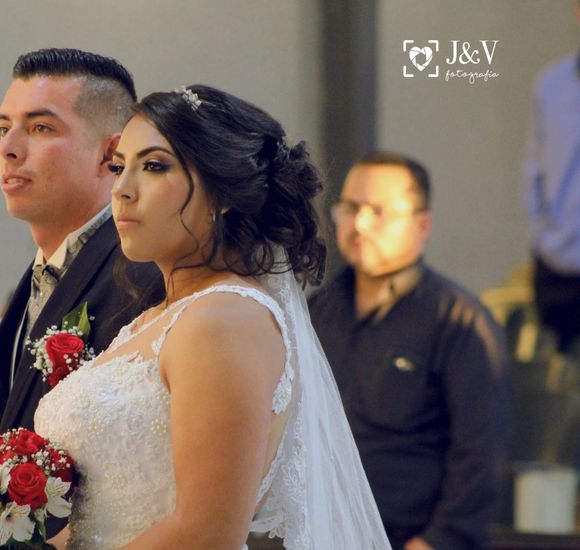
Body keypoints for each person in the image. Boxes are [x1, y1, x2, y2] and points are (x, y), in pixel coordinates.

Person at [35, 85, 390, 549]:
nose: (122, 190)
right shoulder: (153, 321)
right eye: (120, 167)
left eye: (155, 166)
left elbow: (206, 533)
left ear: (222, 191)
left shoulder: (224, 320)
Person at [309, 152, 509, 549]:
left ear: (422, 225)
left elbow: (481, 457)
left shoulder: (460, 322)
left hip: (411, 538)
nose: (360, 224)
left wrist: (435, 541)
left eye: (378, 211)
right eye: (350, 208)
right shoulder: (318, 311)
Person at [0, 48, 163, 433]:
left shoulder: (142, 277)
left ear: (110, 155)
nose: (8, 149)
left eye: (40, 128)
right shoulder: (40, 270)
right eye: (4, 128)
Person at [524, 5, 580, 352]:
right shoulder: (551, 84)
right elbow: (534, 170)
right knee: (558, 393)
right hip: (558, 267)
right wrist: (542, 238)